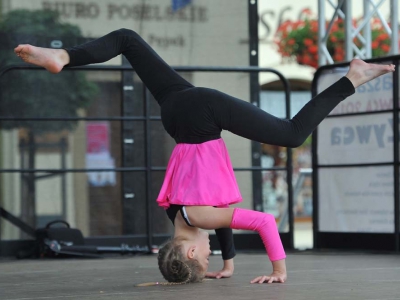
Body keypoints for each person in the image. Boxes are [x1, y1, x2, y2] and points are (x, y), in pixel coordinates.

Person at [14, 29, 395, 285]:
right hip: (176, 113)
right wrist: (229, 264)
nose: (209, 252)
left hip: (202, 114)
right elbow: (220, 209)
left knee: (292, 134)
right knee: (128, 41)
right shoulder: (178, 213)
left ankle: (351, 79)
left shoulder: (198, 217)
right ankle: (64, 55)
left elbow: (262, 222)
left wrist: (278, 270)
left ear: (192, 249)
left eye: (207, 257)